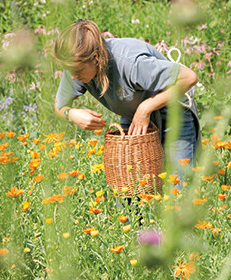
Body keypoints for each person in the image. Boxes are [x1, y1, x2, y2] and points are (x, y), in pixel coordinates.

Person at [53, 19, 200, 180]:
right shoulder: (76, 64)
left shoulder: (130, 62)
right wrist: (72, 114)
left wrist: (145, 108)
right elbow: (59, 106)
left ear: (95, 57)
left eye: (77, 70)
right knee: (127, 188)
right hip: (134, 118)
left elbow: (188, 77)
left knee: (177, 190)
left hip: (173, 115)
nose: (73, 76)